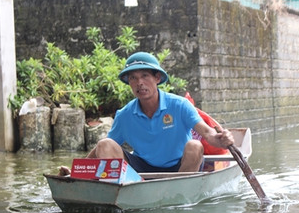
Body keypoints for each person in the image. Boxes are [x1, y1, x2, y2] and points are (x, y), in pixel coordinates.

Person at [59, 51, 234, 175]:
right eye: (133, 78)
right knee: (105, 144)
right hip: (143, 168)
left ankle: (180, 192)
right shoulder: (125, 115)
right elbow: (101, 150)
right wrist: (75, 173)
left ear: (157, 78)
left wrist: (221, 139)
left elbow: (207, 132)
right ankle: (130, 188)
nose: (139, 83)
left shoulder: (179, 105)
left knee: (195, 146)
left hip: (180, 168)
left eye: (144, 76)